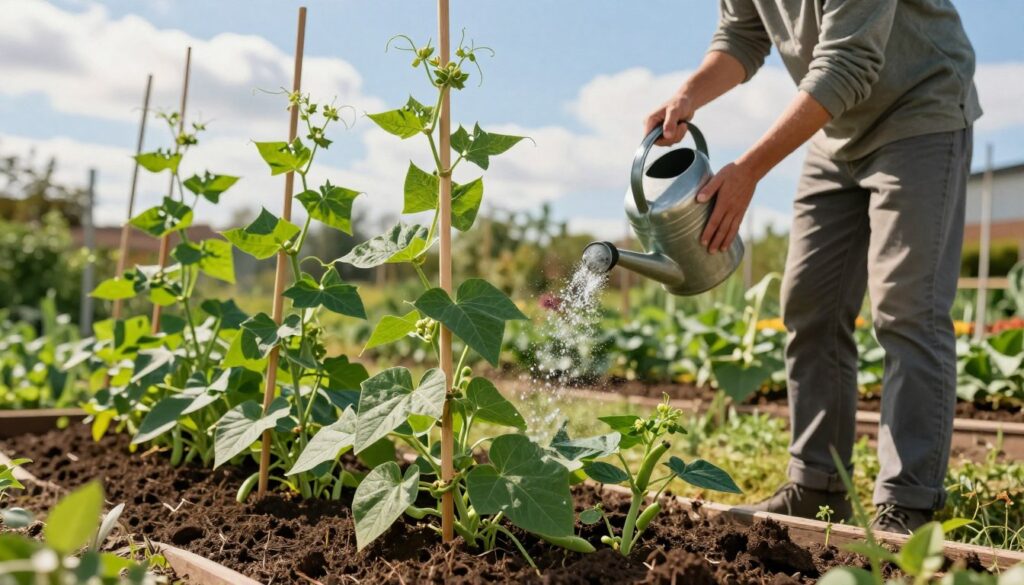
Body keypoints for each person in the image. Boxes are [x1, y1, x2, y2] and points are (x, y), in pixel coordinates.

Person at [645, 0, 981, 534]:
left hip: (918, 108)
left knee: (906, 307)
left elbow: (847, 62)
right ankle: (816, 484)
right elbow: (740, 35)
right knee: (809, 303)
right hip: (836, 130)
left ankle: (908, 503)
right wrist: (690, 94)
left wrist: (749, 170)